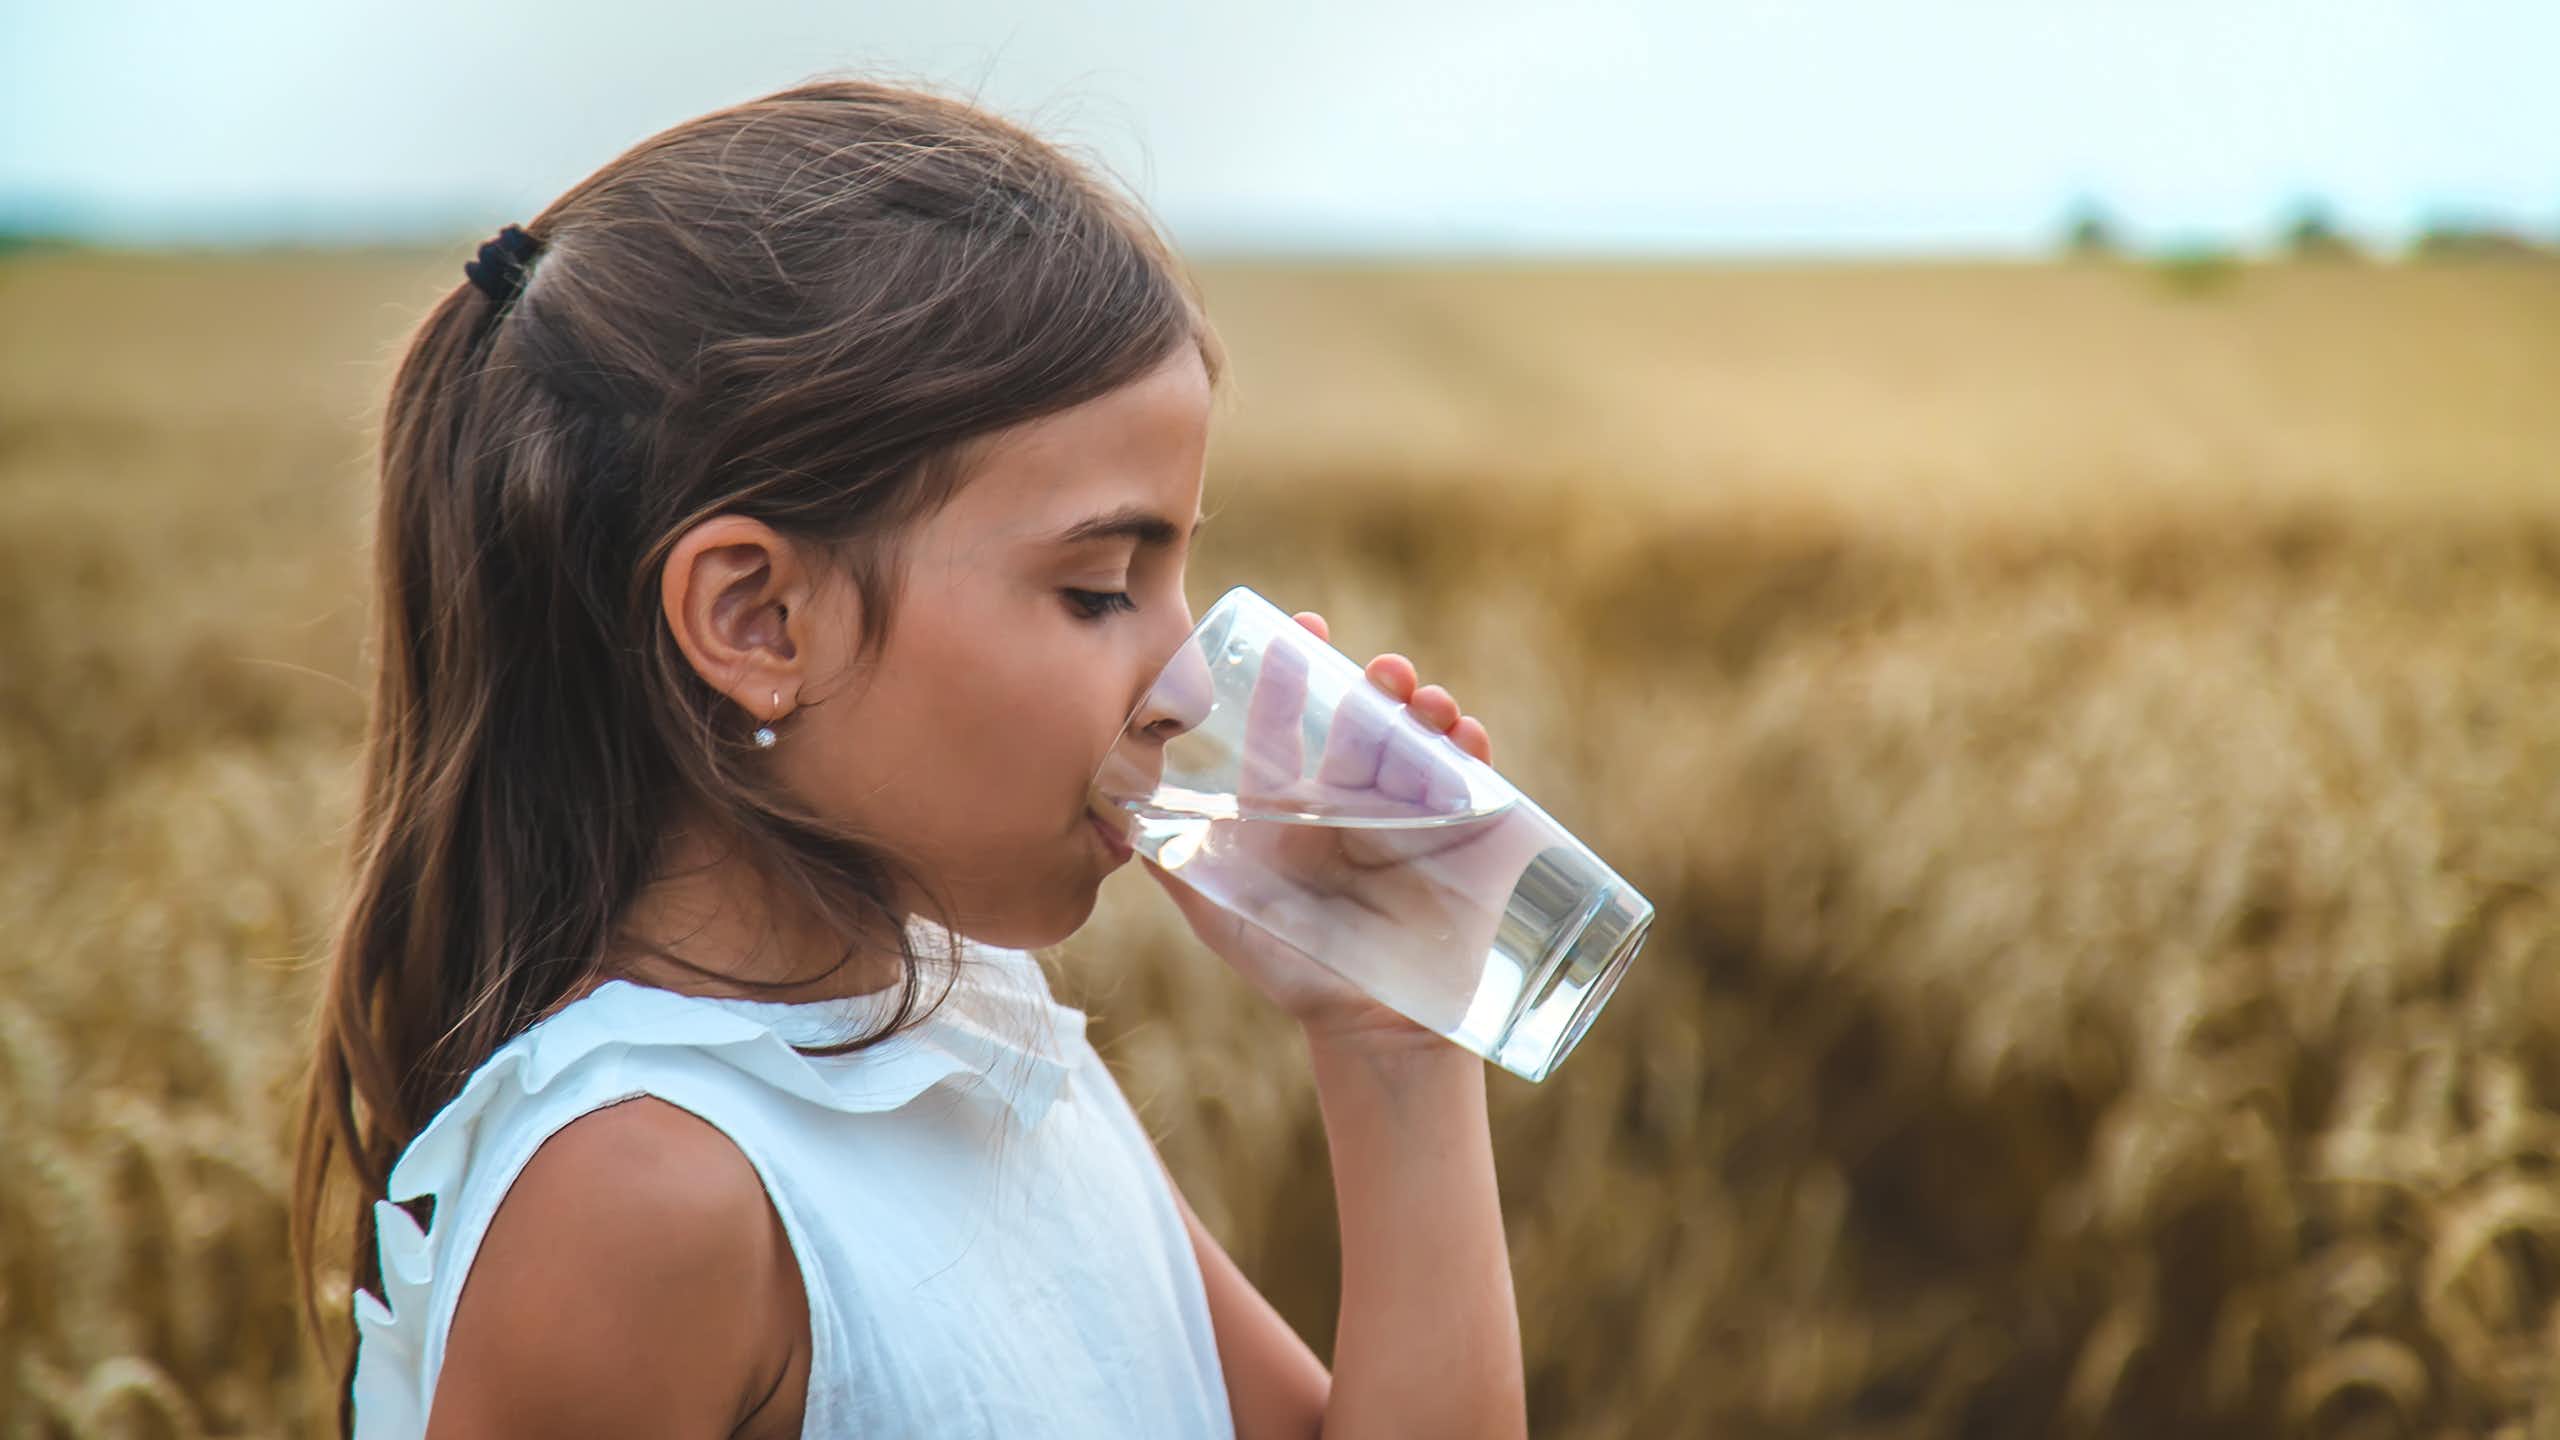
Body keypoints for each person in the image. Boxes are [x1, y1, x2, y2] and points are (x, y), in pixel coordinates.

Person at [287, 73, 1526, 1439]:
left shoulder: (972, 1030)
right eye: (1102, 586)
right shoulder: (645, 1195)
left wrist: (1391, 1039)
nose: (1186, 677)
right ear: (758, 621)